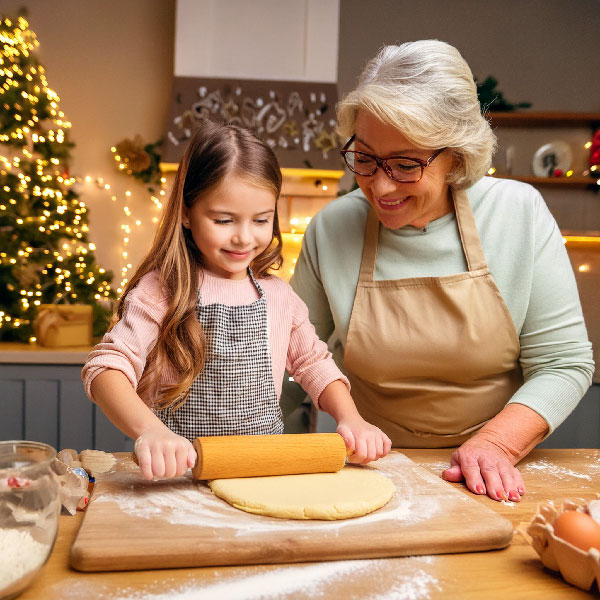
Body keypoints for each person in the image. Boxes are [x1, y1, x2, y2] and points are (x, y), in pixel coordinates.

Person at [289, 40, 594, 502]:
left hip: (491, 475)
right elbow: (286, 355)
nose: (381, 185)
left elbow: (563, 363)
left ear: (457, 156)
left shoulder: (518, 213)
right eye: (366, 158)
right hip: (370, 472)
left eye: (406, 164)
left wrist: (495, 444)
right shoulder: (332, 229)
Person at [82, 121, 391, 480]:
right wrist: (150, 432)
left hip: (261, 473)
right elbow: (106, 369)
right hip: (178, 479)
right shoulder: (161, 291)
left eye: (261, 220)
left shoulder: (278, 296)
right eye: (224, 220)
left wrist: (350, 417)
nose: (244, 238)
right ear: (186, 212)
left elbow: (312, 362)